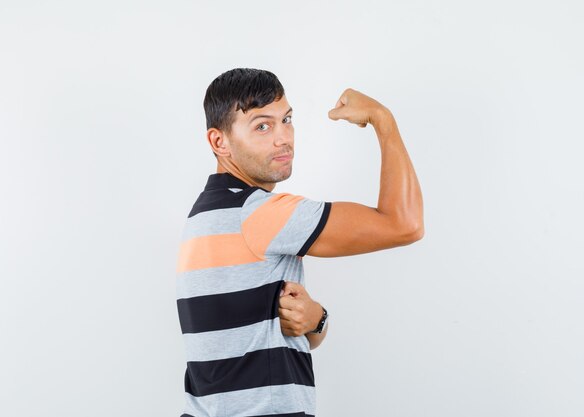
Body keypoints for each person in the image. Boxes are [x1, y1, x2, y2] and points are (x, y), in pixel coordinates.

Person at [175, 68, 424, 417]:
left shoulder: (206, 214)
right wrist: (383, 119)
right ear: (219, 142)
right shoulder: (259, 214)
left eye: (286, 120)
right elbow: (404, 224)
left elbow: (282, 332)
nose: (283, 138)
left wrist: (316, 319)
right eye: (263, 126)